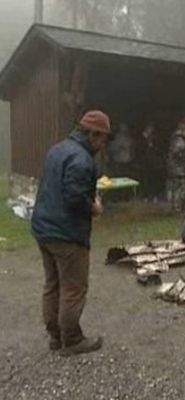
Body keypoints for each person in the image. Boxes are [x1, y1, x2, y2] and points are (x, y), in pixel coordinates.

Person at [31, 110, 110, 356]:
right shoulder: (82, 159)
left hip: (44, 228)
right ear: (93, 134)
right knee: (73, 288)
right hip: (66, 234)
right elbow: (74, 196)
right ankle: (72, 340)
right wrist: (94, 207)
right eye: (103, 138)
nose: (103, 144)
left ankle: (55, 337)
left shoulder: (56, 150)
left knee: (52, 285)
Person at [167, 118, 185, 213]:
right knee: (180, 188)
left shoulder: (177, 138)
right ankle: (177, 208)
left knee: (177, 188)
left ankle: (176, 207)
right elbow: (178, 152)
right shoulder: (179, 140)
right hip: (178, 167)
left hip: (177, 167)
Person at [137, 122, 163, 201]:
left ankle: (154, 195)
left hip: (154, 164)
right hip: (145, 163)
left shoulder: (155, 139)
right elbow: (139, 150)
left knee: (154, 180)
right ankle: (145, 195)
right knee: (145, 179)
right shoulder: (141, 139)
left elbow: (159, 150)